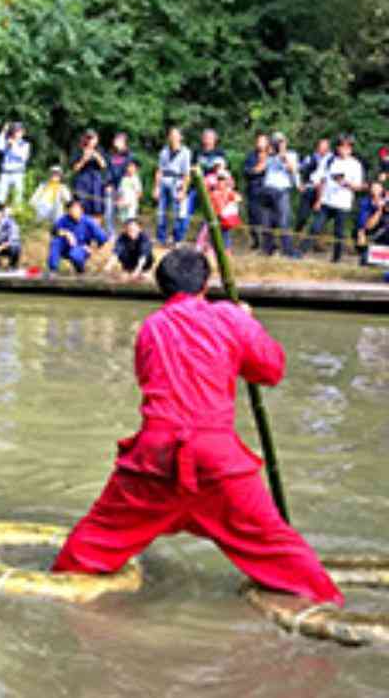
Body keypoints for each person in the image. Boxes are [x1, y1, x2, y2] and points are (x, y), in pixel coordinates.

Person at [51, 247, 344, 608]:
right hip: (217, 462)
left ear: (162, 287)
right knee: (293, 564)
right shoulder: (230, 318)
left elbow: (149, 379)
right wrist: (249, 323)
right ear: (206, 283)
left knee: (80, 557)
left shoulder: (151, 327)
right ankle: (334, 618)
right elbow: (270, 371)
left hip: (154, 458)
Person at [309, 134, 364, 263]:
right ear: (338, 147)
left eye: (348, 146)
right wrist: (318, 199)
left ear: (351, 148)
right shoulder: (329, 160)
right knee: (315, 227)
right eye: (342, 146)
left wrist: (347, 183)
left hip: (343, 203)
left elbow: (359, 186)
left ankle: (336, 258)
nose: (344, 149)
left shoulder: (355, 165)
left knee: (339, 233)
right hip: (326, 201)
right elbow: (320, 179)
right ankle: (300, 252)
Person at [257, 131, 300, 257]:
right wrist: (266, 152)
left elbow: (292, 169)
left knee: (283, 222)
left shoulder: (291, 154)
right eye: (275, 142)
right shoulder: (269, 156)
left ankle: (287, 251)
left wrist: (282, 155)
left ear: (285, 142)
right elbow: (260, 168)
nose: (277, 144)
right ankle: (267, 250)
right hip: (267, 190)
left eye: (280, 141)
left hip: (282, 191)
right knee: (266, 222)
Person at [47, 199, 109, 275]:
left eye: (75, 208)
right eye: (71, 209)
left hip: (81, 249)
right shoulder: (64, 219)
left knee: (75, 255)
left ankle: (80, 271)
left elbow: (103, 238)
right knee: (55, 242)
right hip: (66, 247)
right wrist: (67, 233)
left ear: (81, 210)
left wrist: (92, 248)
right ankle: (53, 270)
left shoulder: (88, 221)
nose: (73, 211)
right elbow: (53, 230)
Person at [153, 127, 193, 244]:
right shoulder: (164, 151)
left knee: (178, 212)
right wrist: (156, 187)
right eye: (171, 135)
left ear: (180, 137)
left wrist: (183, 190)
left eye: (176, 135)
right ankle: (161, 238)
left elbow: (187, 174)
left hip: (177, 180)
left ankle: (177, 239)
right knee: (161, 211)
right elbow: (159, 170)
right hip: (164, 180)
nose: (173, 138)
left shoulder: (186, 152)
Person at [195, 169, 243, 253]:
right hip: (213, 219)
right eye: (219, 179)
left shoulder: (229, 192)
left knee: (225, 240)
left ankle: (226, 256)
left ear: (227, 181)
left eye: (223, 179)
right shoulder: (214, 192)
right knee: (207, 237)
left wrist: (231, 202)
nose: (220, 181)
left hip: (224, 221)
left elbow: (238, 198)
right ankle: (205, 252)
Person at [71, 130, 108, 225]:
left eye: (93, 138)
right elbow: (75, 169)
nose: (91, 140)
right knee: (81, 205)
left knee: (97, 207)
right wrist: (84, 159)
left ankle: (96, 230)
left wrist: (96, 155)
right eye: (89, 138)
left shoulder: (100, 150)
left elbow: (104, 166)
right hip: (82, 180)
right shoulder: (78, 150)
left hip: (96, 180)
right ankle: (82, 229)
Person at [242, 133, 270, 250]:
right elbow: (246, 172)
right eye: (258, 141)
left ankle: (267, 243)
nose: (260, 143)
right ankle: (255, 241)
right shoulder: (251, 156)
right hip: (253, 190)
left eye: (263, 141)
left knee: (267, 218)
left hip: (268, 191)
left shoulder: (272, 155)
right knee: (253, 217)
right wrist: (258, 168)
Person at [104, 132, 133, 236]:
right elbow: (108, 170)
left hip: (124, 188)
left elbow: (129, 171)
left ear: (124, 142)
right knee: (108, 212)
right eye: (115, 140)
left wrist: (123, 190)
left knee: (124, 214)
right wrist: (108, 184)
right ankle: (110, 234)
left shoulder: (129, 155)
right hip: (111, 187)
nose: (116, 142)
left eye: (119, 140)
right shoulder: (110, 154)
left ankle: (128, 234)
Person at [0, 122, 30, 207]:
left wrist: (13, 145)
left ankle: (17, 216)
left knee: (18, 198)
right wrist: (3, 132)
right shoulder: (7, 141)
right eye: (15, 131)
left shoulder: (25, 144)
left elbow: (23, 157)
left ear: (23, 133)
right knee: (1, 197)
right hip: (5, 173)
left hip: (18, 173)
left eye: (19, 131)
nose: (17, 133)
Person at [357, 180, 389, 264]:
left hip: (385, 233)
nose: (376, 190)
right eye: (373, 188)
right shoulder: (365, 203)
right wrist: (379, 210)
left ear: (382, 189)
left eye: (378, 188)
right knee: (365, 261)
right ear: (370, 190)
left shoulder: (386, 200)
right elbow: (367, 226)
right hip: (374, 234)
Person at [115, 159, 143, 224]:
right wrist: (119, 201)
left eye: (132, 167)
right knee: (123, 222)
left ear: (136, 169)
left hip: (131, 206)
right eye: (129, 166)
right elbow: (120, 192)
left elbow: (139, 194)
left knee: (130, 222)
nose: (130, 169)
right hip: (123, 206)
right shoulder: (123, 179)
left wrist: (131, 202)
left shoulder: (136, 179)